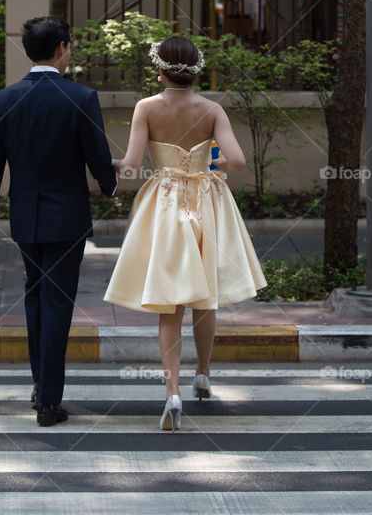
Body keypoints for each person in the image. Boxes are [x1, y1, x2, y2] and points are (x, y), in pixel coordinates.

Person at [104, 36, 267, 431]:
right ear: (196, 68)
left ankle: (171, 392)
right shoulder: (211, 109)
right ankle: (204, 374)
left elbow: (129, 165)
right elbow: (238, 162)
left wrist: (103, 162)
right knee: (204, 295)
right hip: (207, 201)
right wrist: (211, 163)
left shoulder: (146, 107)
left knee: (170, 301)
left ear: (159, 69)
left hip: (164, 203)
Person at [0, 16, 118, 427]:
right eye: (68, 47)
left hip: (25, 219)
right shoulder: (81, 97)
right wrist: (111, 184)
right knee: (56, 304)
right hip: (67, 219)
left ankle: (40, 384)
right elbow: (96, 157)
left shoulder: (2, 100)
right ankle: (49, 402)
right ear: (61, 50)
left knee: (35, 300)